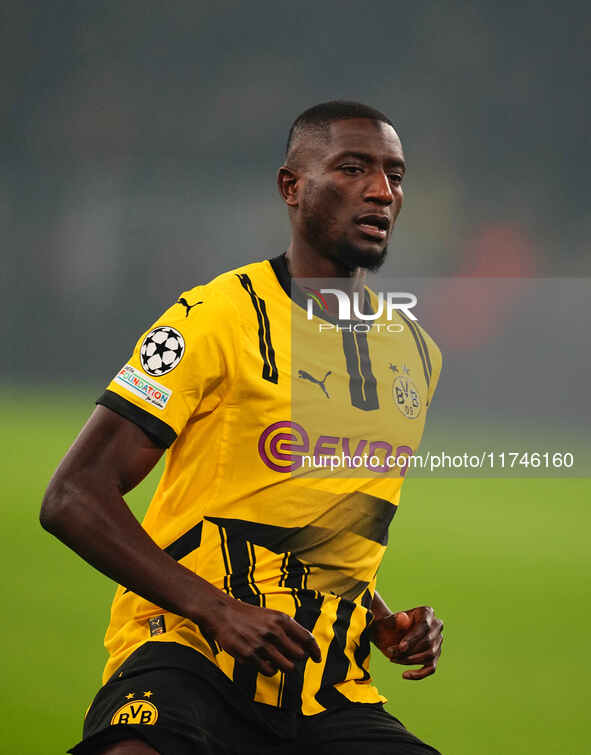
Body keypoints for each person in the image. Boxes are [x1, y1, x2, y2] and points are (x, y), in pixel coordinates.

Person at [41, 100, 444, 755]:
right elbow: (73, 495)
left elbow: (316, 522)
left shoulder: (413, 352)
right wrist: (217, 608)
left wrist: (381, 618)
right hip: (186, 655)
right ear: (292, 187)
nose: (380, 190)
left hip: (326, 684)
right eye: (352, 168)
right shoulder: (215, 316)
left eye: (395, 176)